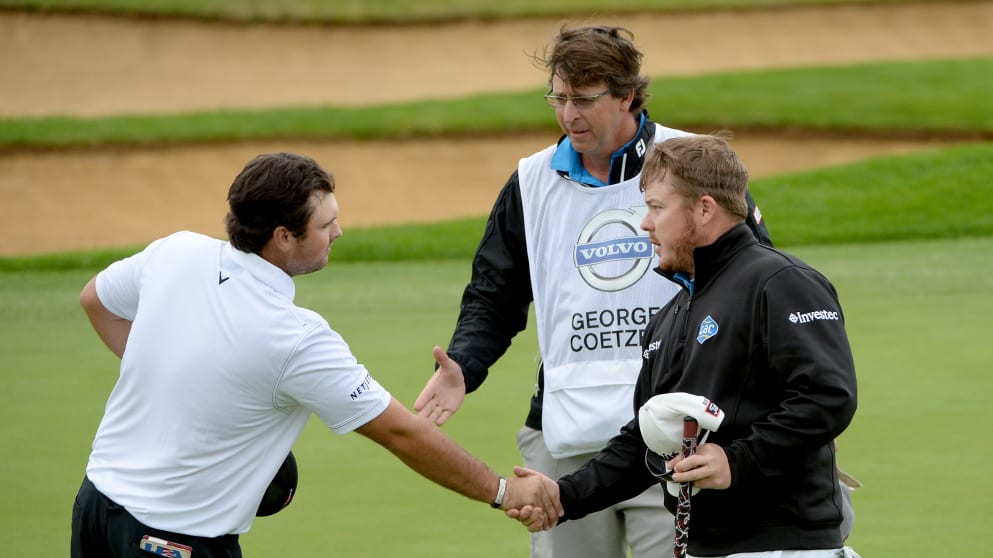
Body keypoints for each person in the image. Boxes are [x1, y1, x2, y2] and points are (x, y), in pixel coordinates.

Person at [71, 152, 562, 557]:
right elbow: (400, 432)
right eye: (326, 224)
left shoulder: (175, 252)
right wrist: (502, 491)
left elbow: (95, 300)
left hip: (94, 507)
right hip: (175, 542)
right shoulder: (296, 338)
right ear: (284, 237)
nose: (339, 233)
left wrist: (184, 382)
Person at [414, 25, 772, 558]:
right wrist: (464, 365)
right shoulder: (530, 181)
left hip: (676, 431)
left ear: (627, 95)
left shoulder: (690, 162)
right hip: (565, 434)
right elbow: (496, 294)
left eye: (583, 99)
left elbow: (754, 279)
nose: (567, 115)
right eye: (557, 99)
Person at [514, 134, 859, 558]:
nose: (645, 223)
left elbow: (828, 396)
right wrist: (565, 495)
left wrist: (738, 460)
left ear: (704, 208)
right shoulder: (670, 316)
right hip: (705, 547)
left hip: (785, 545)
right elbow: (645, 441)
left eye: (657, 207)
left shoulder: (780, 282)